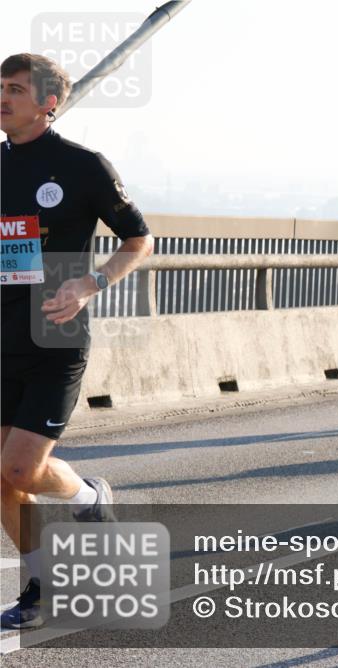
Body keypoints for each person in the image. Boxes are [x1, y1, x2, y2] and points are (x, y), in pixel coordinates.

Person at [1, 53, 154, 629]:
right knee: (2, 477)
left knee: (20, 471)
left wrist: (92, 284)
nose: (3, 97)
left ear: (47, 103)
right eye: (0, 87)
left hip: (54, 337)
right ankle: (39, 589)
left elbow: (139, 240)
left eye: (15, 89)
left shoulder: (82, 166)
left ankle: (89, 495)